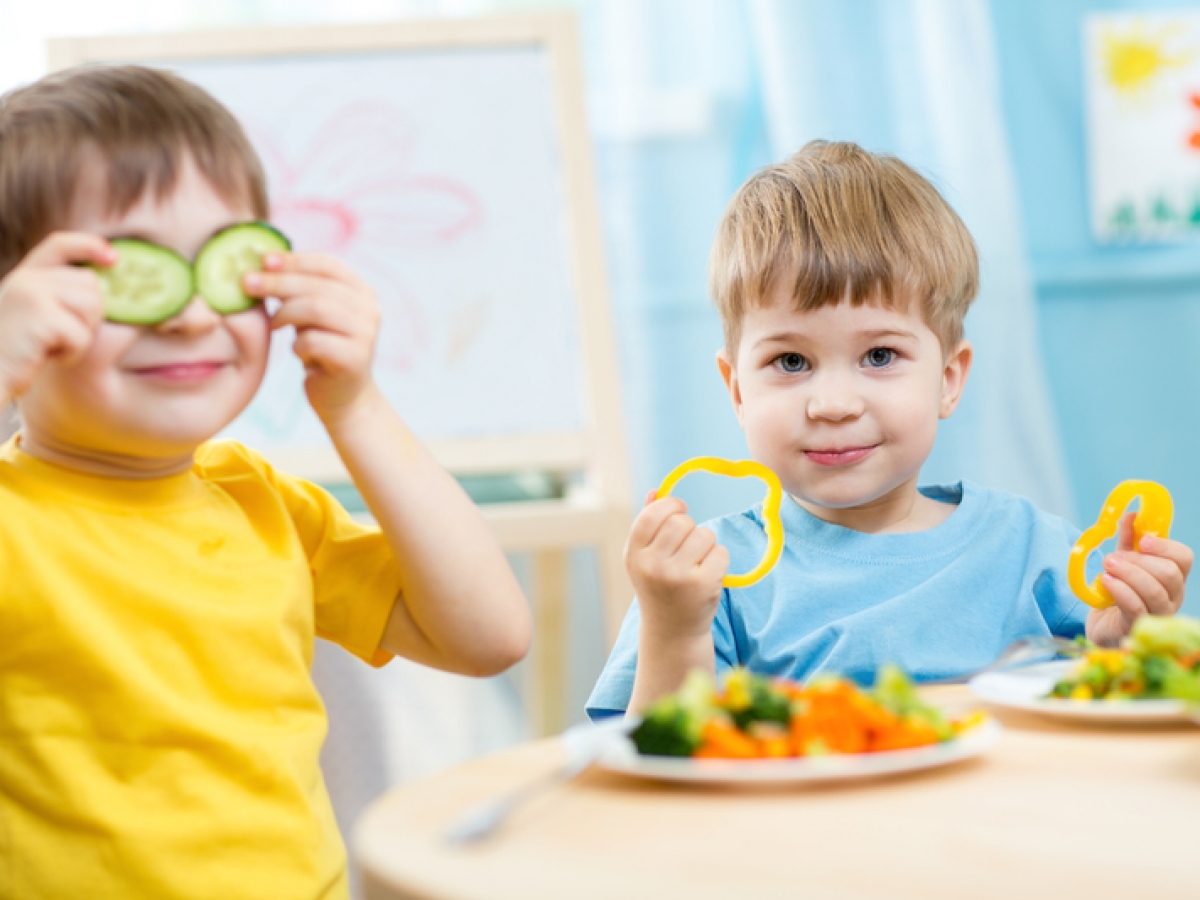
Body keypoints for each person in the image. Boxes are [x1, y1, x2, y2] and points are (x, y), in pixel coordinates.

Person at [0, 66, 531, 898]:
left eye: (220, 263)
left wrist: (355, 405)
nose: (188, 314)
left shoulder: (259, 501)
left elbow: (488, 635)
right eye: (122, 278)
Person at [587, 141, 1193, 719]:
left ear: (949, 379)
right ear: (737, 389)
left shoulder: (1038, 554)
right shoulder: (704, 582)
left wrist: (1125, 646)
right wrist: (673, 629)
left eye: (878, 356)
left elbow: (1120, 746)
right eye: (790, 362)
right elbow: (651, 777)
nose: (832, 404)